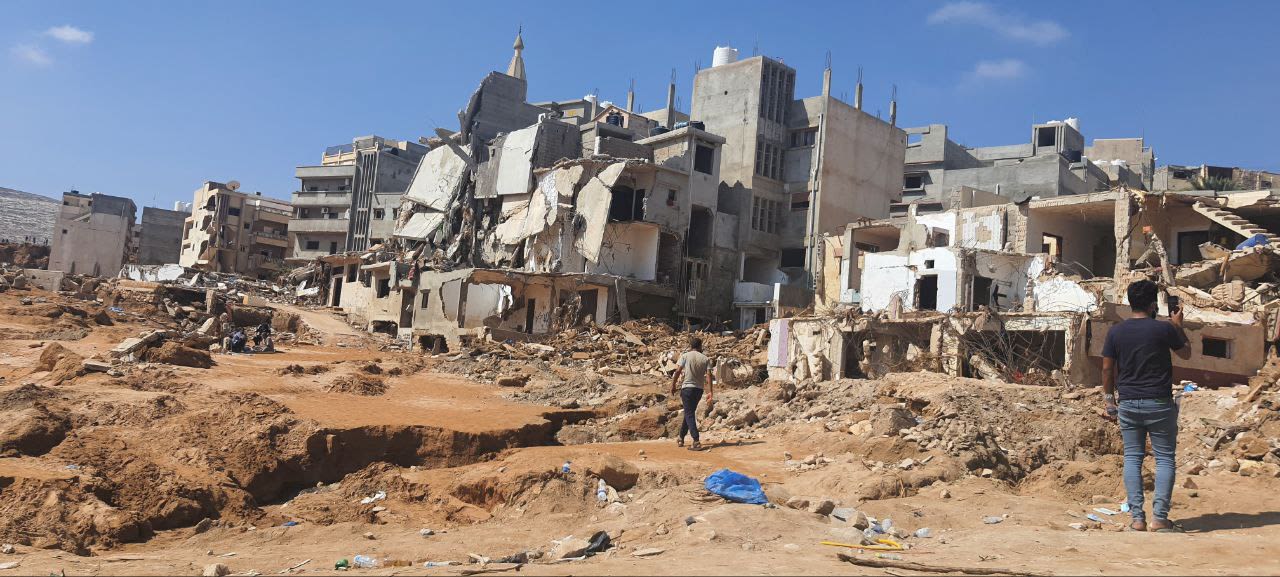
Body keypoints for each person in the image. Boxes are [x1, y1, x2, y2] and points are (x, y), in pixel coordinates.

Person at [1102, 279, 1190, 532]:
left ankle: (1137, 519)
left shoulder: (1116, 332)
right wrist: (1178, 326)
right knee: (1164, 459)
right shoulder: (1164, 329)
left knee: (1132, 458)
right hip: (1159, 403)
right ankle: (1159, 518)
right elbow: (1186, 353)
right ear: (1153, 304)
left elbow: (1107, 370)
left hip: (1128, 403)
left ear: (1131, 302)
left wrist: (1110, 402)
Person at [670, 336, 713, 450]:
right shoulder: (706, 358)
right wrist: (710, 391)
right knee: (689, 412)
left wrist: (673, 385)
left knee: (689, 413)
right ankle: (681, 437)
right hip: (698, 390)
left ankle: (696, 440)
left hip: (687, 389)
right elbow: (709, 375)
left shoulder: (685, 356)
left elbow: (678, 371)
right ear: (700, 346)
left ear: (691, 346)